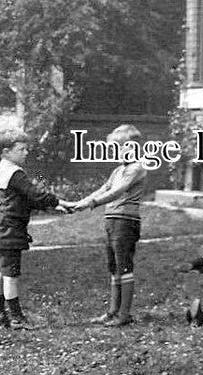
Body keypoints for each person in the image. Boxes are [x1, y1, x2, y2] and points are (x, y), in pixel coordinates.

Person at [60, 124, 149, 327]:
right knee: (114, 267)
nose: (114, 153)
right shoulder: (118, 170)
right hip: (111, 221)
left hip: (125, 222)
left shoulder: (137, 167)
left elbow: (117, 191)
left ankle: (124, 314)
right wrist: (78, 204)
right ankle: (112, 312)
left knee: (124, 266)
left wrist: (91, 204)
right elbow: (102, 190)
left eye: (117, 148)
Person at [0, 132, 64, 328]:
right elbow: (35, 194)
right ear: (6, 152)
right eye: (21, 149)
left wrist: (52, 206)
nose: (26, 152)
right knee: (10, 276)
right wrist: (58, 202)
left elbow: (20, 200)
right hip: (9, 232)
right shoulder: (15, 173)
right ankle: (17, 318)